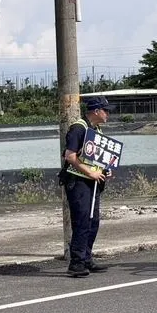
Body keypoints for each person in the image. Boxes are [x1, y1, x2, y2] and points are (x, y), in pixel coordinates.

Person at [59, 96, 115, 277]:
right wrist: (90, 173)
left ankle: (86, 257)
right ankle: (76, 263)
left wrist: (105, 169)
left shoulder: (96, 129)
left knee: (93, 221)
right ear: (96, 111)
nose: (108, 114)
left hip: (93, 181)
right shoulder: (78, 128)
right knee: (82, 221)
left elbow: (96, 156)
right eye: (106, 110)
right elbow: (70, 156)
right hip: (78, 181)